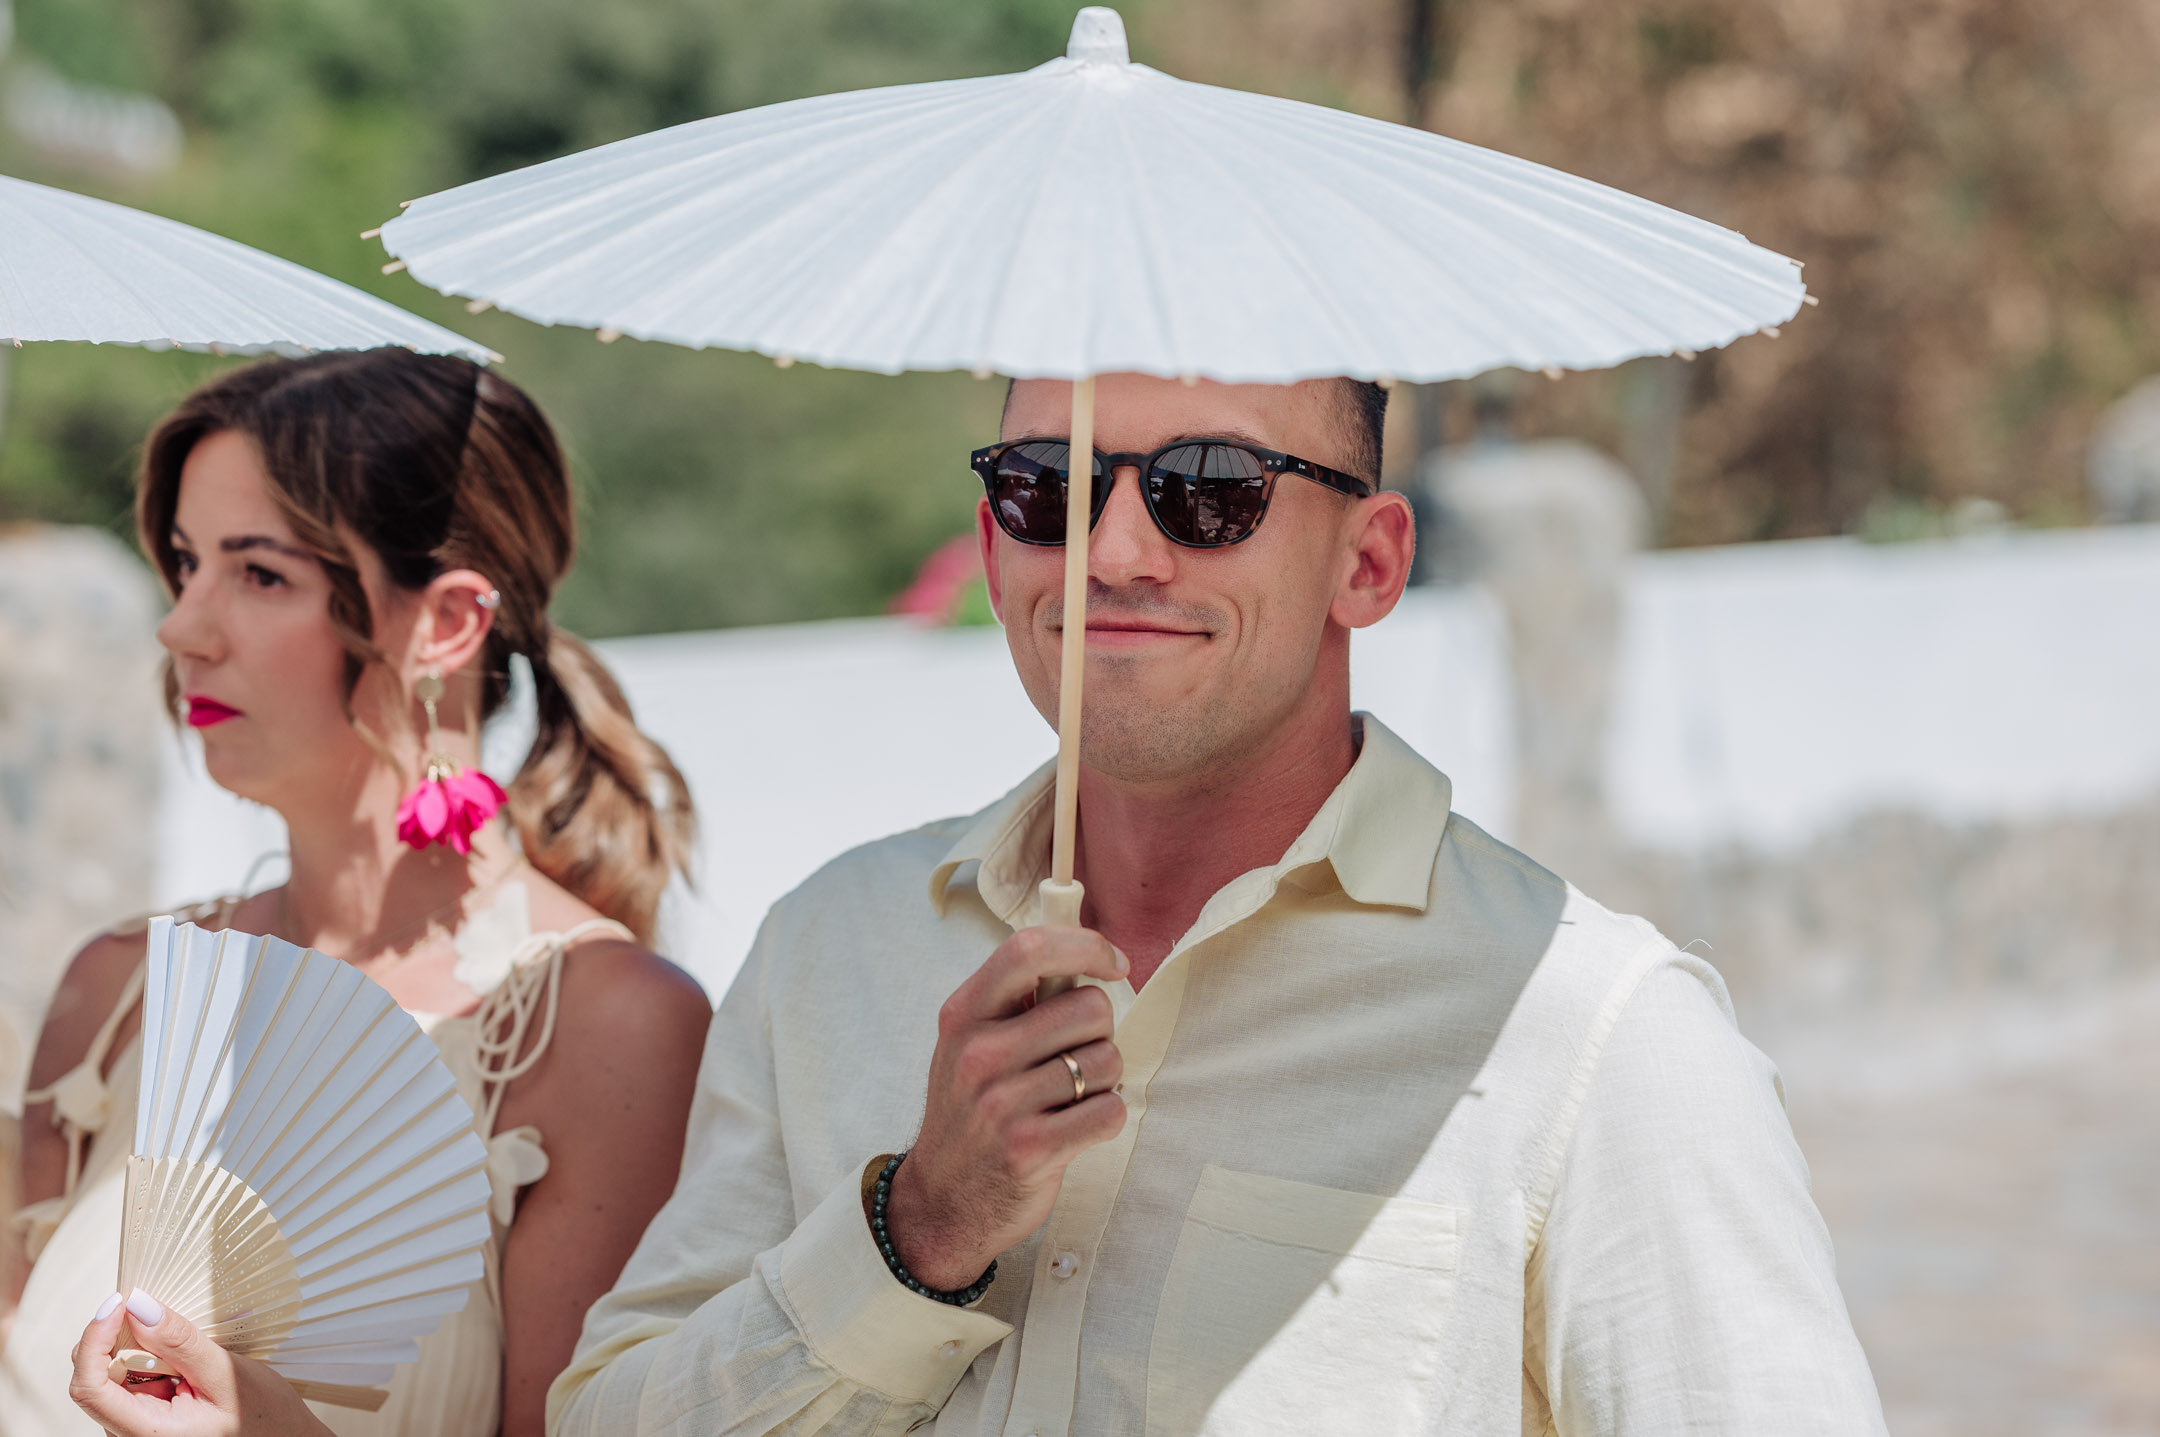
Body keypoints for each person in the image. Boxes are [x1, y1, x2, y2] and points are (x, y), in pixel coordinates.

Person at [550, 371, 1888, 1435]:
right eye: (1046, 486)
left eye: (1210, 489)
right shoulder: (829, 948)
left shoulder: (1600, 1037)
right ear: (993, 542)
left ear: (1369, 563)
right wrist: (918, 1231)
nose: (1114, 549)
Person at [1, 349, 713, 1437]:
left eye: (260, 574)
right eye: (186, 563)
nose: (182, 627)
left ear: (449, 622)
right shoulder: (116, 995)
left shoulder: (608, 1030)